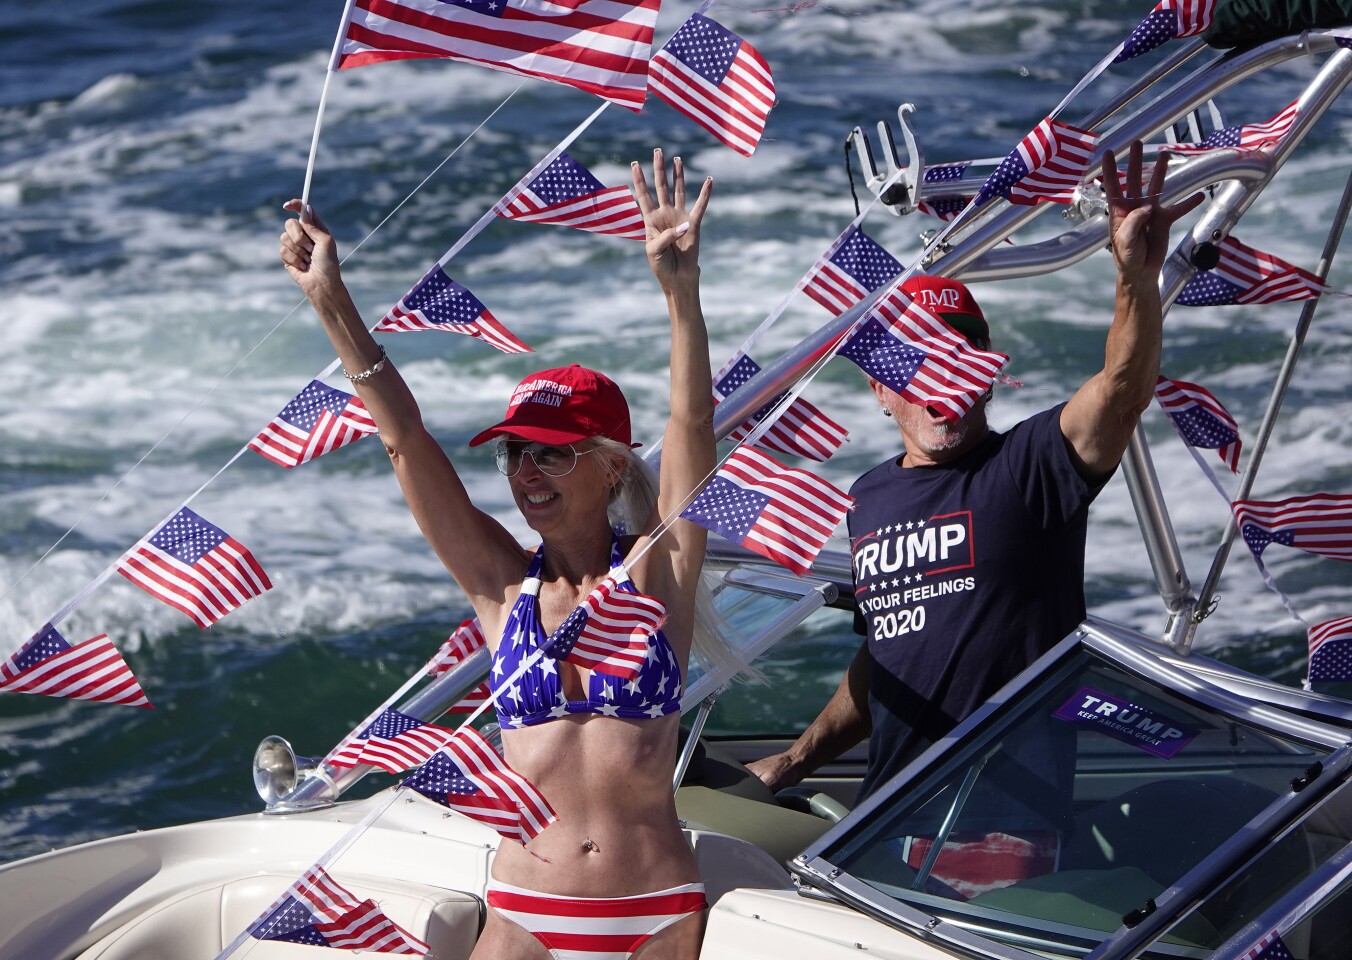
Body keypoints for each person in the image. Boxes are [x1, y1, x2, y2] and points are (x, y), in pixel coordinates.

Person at [279, 149, 715, 960]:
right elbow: (404, 440)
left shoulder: (660, 568)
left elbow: (691, 429)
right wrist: (332, 300)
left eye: (550, 454)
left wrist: (680, 294)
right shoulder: (500, 586)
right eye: (513, 455)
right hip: (523, 911)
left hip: (656, 910)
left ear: (611, 463)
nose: (524, 473)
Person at [748, 143, 1204, 806]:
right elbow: (887, 655)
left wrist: (1134, 276)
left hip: (1004, 831)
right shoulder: (868, 497)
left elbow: (1122, 390)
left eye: (959, 355)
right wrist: (794, 760)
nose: (941, 375)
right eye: (918, 359)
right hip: (885, 822)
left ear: (988, 372)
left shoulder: (1033, 466)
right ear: (881, 388)